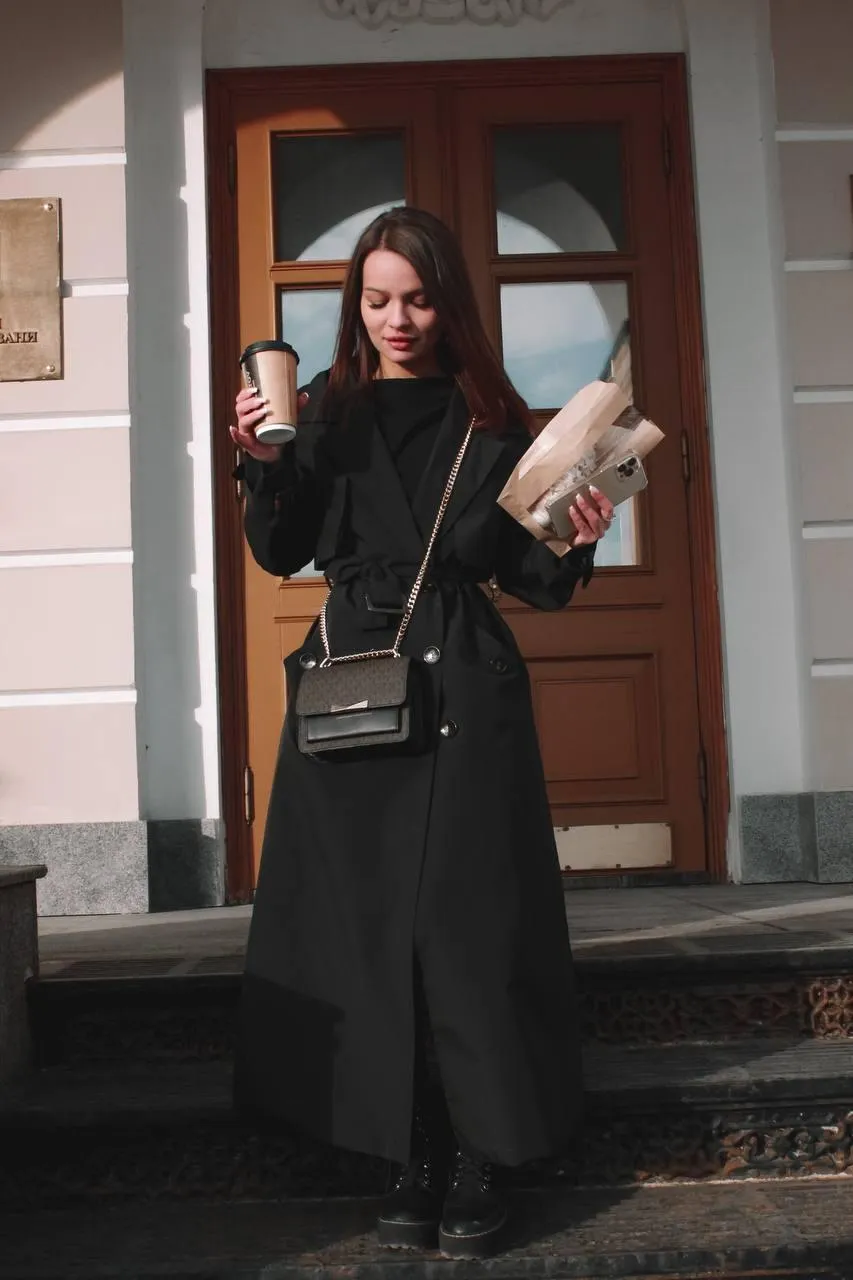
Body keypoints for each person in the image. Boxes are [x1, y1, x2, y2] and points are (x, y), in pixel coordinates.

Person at [231, 207, 613, 1259]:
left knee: (465, 924)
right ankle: (405, 1153)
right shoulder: (321, 410)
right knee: (366, 926)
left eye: (418, 296)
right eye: (377, 297)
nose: (397, 317)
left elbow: (535, 580)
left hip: (463, 690)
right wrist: (261, 461)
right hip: (352, 682)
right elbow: (281, 548)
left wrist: (577, 537)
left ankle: (480, 1152)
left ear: (450, 303)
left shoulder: (497, 420)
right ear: (356, 303)